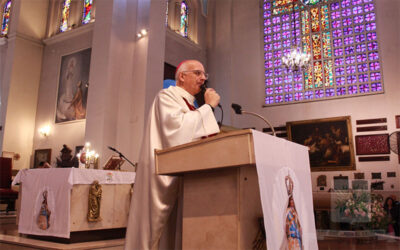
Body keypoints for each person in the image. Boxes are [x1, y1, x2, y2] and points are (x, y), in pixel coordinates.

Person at [125, 60, 220, 250]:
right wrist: (208, 107)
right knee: (156, 232)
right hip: (163, 174)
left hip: (184, 174)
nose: (203, 78)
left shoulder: (190, 104)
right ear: (182, 76)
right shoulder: (167, 96)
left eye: (204, 75)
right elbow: (177, 131)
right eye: (198, 73)